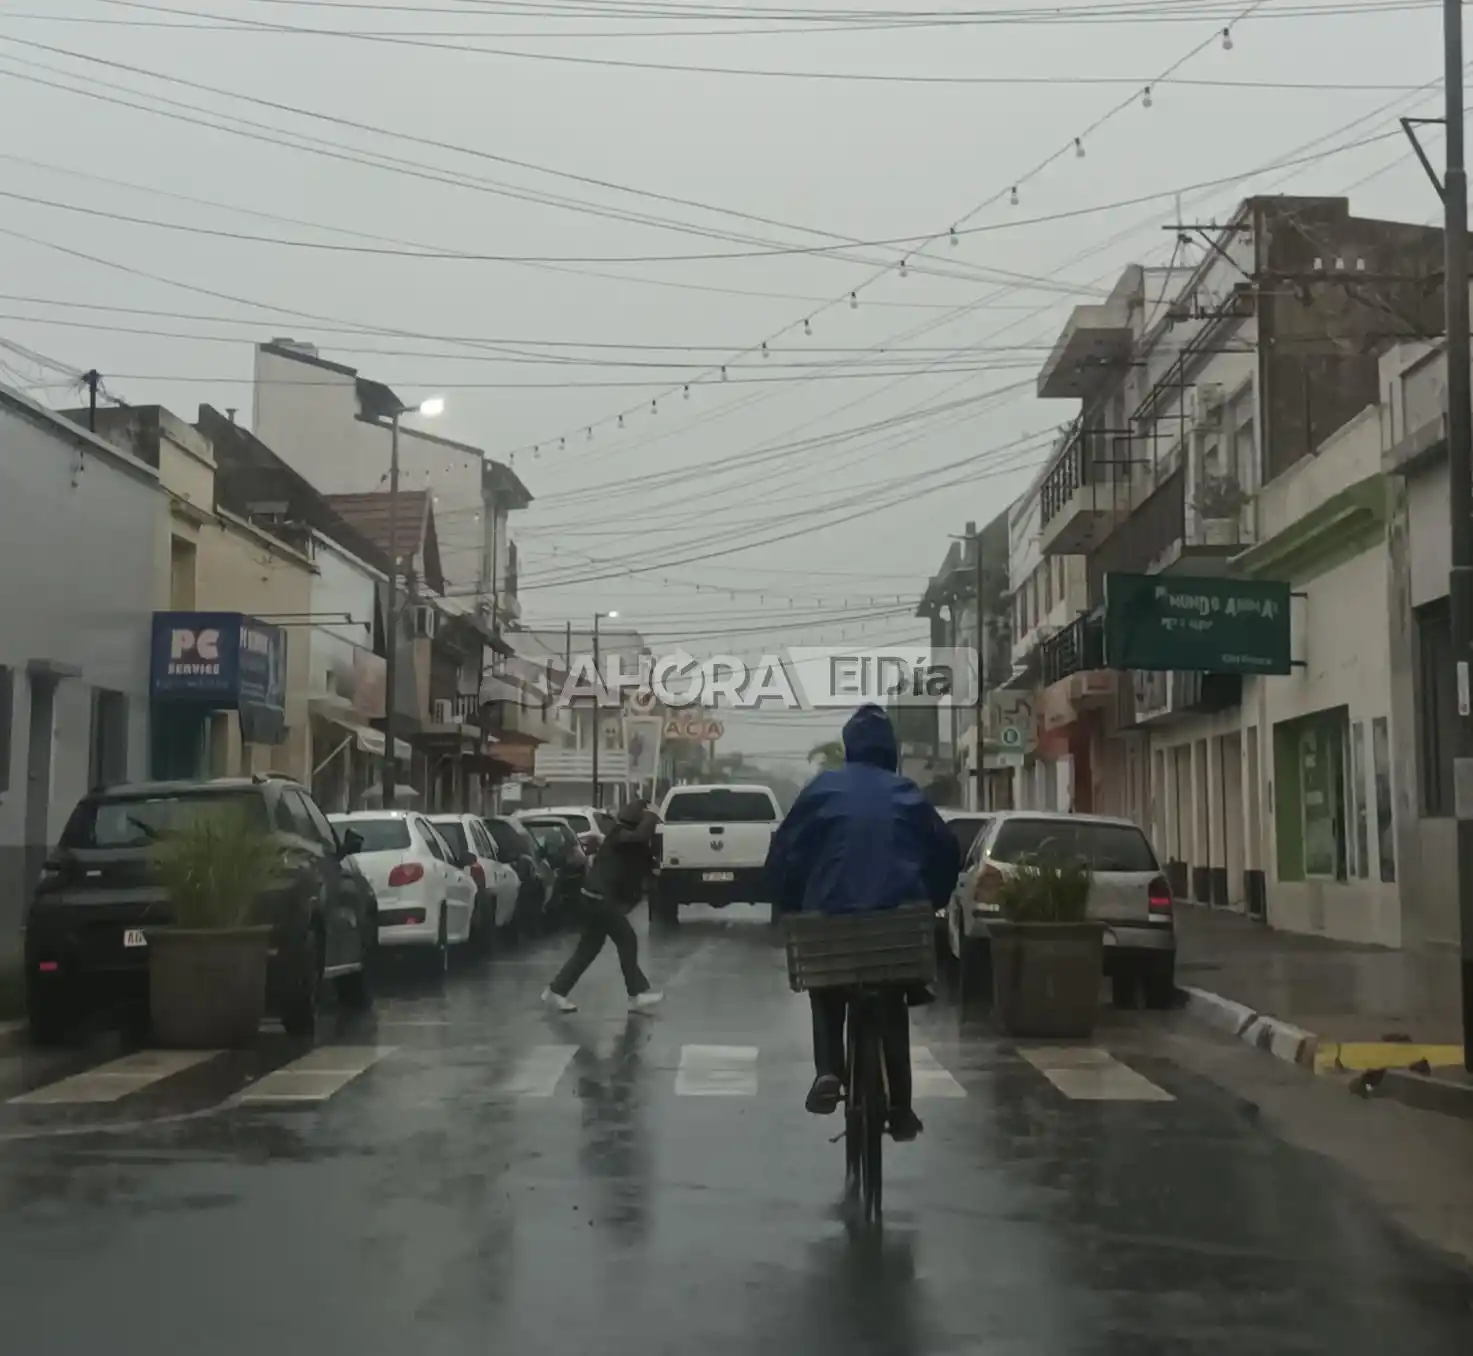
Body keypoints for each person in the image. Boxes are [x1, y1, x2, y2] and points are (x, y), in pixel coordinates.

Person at [765, 704, 960, 1142]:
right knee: (892, 1003)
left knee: (826, 987)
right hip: (898, 925)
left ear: (849, 748)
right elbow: (946, 852)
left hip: (829, 923)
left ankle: (827, 1071)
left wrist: (791, 903)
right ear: (890, 750)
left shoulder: (821, 790)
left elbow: (784, 855)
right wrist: (933, 902)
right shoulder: (906, 791)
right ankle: (902, 1108)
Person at [542, 799, 665, 1014]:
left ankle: (555, 992)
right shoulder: (619, 834)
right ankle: (636, 994)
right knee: (627, 940)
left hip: (595, 898)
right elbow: (639, 837)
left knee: (588, 949)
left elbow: (645, 858)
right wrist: (652, 815)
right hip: (599, 898)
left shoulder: (633, 844)